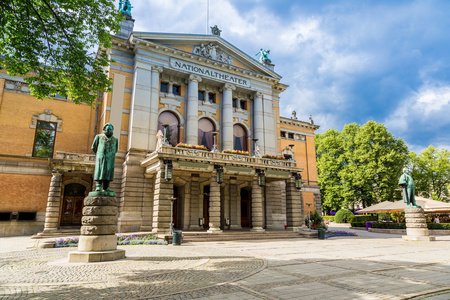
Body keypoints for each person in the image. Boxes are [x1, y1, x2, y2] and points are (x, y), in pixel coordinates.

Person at [92, 123, 118, 193]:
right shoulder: (98, 137)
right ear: (104, 130)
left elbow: (116, 149)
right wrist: (99, 155)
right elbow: (94, 147)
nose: (110, 131)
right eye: (108, 129)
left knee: (108, 173)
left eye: (111, 130)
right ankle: (98, 186)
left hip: (110, 159)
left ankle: (106, 187)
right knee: (100, 171)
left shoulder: (115, 139)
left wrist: (110, 155)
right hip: (101, 158)